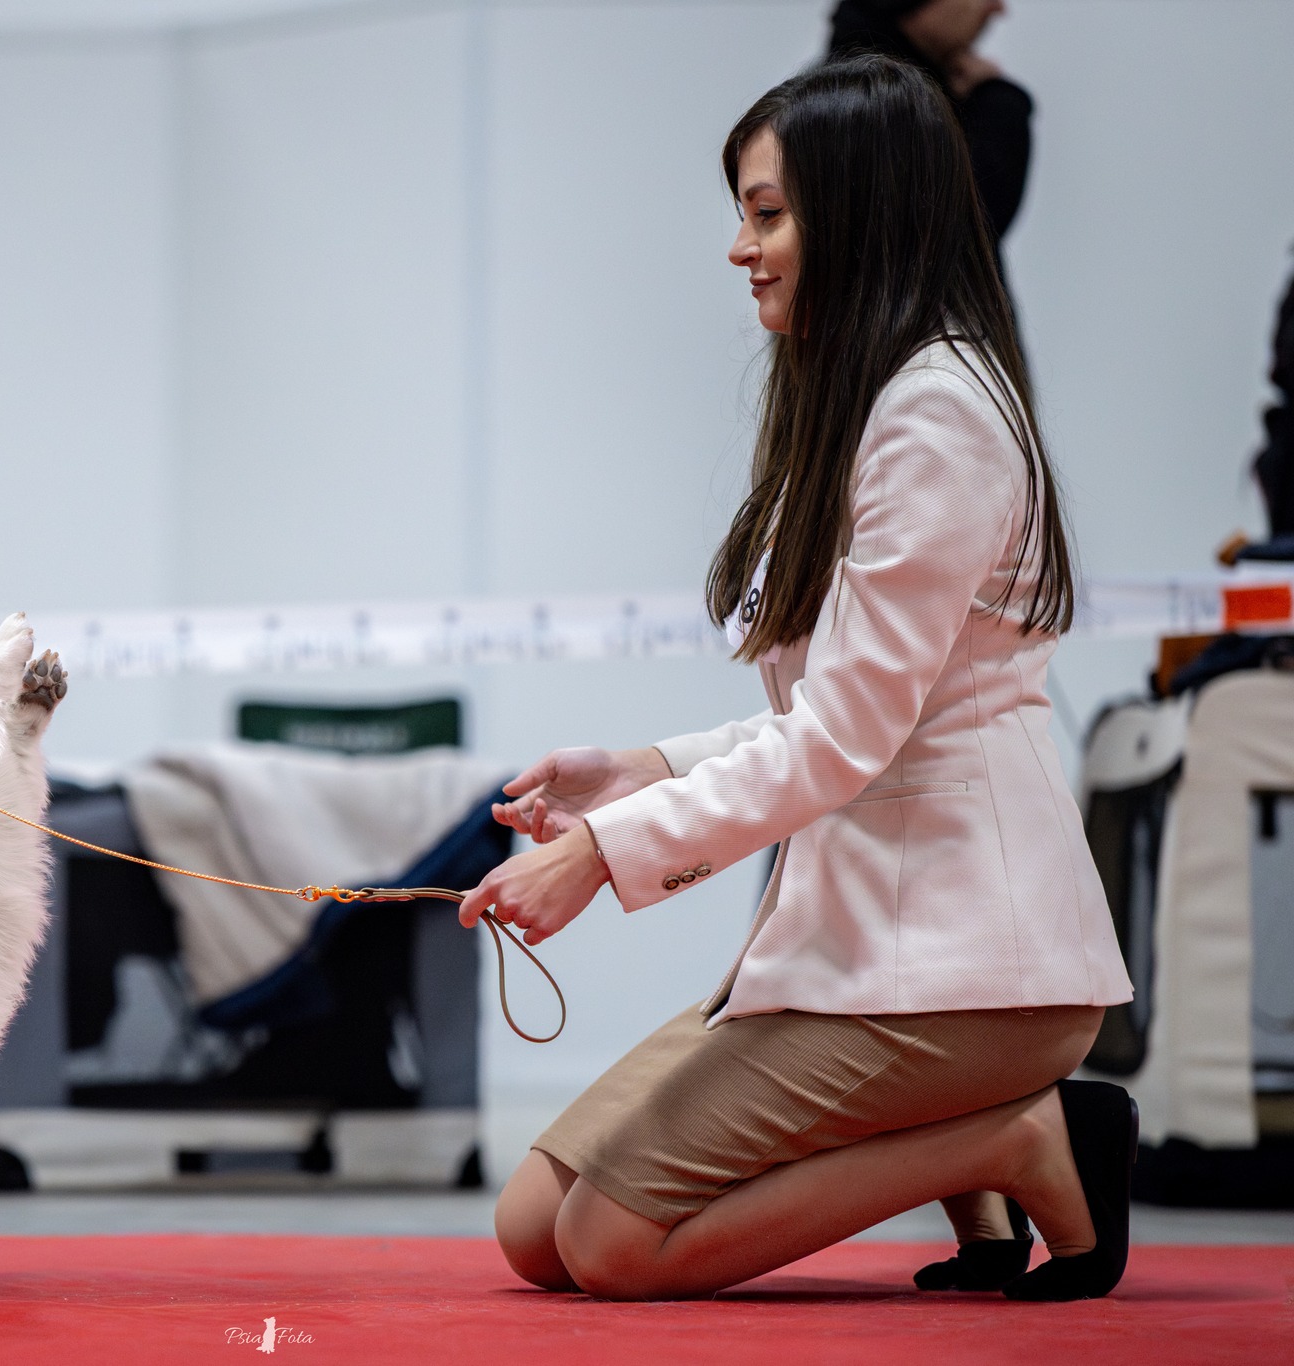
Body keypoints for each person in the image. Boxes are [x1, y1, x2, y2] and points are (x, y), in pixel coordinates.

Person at [458, 55, 1134, 1303]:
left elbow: (839, 741)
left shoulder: (935, 416)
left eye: (766, 214)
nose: (738, 248)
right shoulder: (876, 398)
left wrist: (603, 851)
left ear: (859, 213)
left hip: (973, 970)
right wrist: (639, 771)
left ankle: (1013, 1135)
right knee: (534, 1226)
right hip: (871, 946)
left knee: (612, 1245)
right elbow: (836, 714)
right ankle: (981, 1162)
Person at [829, 0, 1030, 248]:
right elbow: (954, 239)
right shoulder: (871, 111)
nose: (997, 8)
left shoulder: (833, 98)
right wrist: (996, 104)